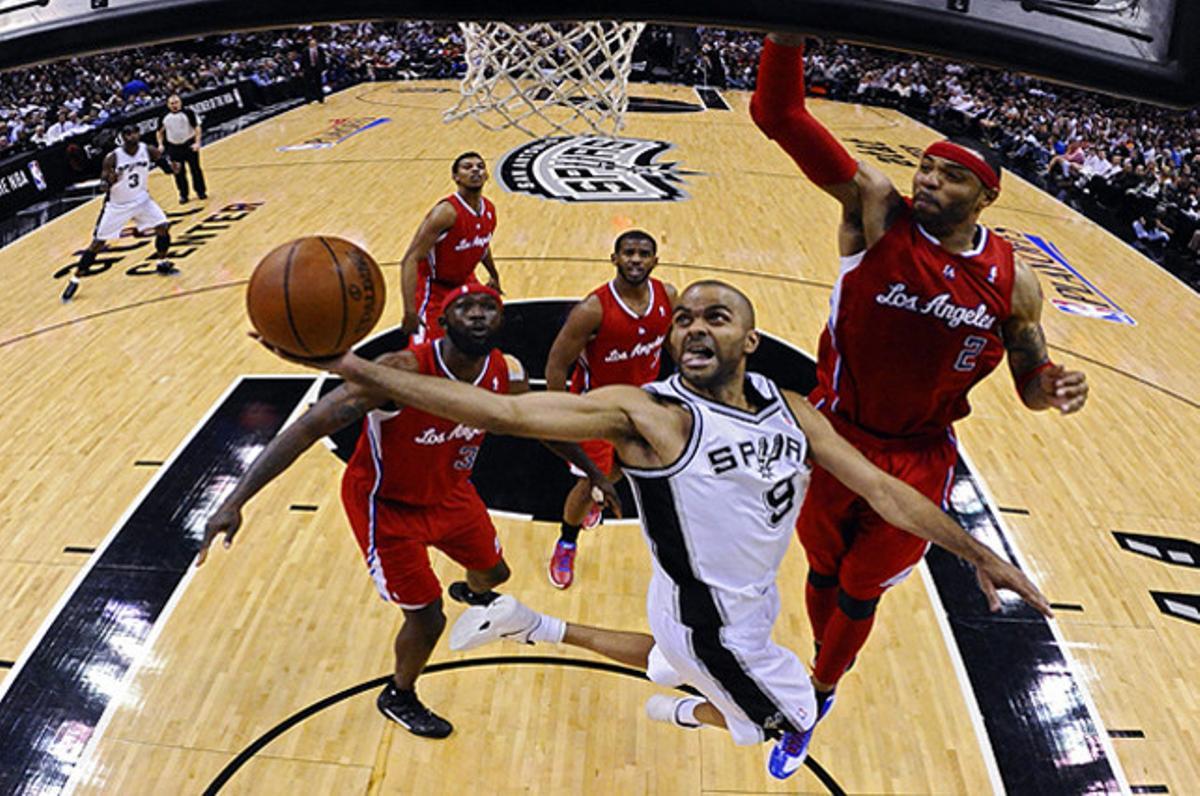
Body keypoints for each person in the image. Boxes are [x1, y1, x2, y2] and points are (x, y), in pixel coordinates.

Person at [258, 280, 1053, 779]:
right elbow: (504, 411)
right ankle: (688, 708)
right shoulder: (651, 413)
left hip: (732, 606)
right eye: (683, 320)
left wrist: (978, 553)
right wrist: (354, 367)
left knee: (676, 663)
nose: (694, 327)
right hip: (712, 620)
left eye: (716, 315)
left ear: (750, 338)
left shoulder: (794, 409)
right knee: (797, 719)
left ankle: (528, 623)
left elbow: (883, 488)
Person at [749, 33, 1088, 724]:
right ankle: (824, 651)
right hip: (836, 435)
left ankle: (820, 686)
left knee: (861, 587)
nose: (927, 180)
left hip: (921, 457)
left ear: (985, 197)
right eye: (926, 168)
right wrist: (783, 30)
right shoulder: (876, 212)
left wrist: (1050, 387)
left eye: (949, 175)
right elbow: (779, 116)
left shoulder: (1015, 283)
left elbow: (1029, 378)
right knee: (822, 568)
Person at [199, 284, 612, 739]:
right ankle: (399, 693)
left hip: (451, 494)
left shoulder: (506, 373)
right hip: (385, 508)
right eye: (465, 307)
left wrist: (592, 470)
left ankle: (474, 598)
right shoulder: (400, 372)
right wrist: (234, 499)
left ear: (501, 320)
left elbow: (536, 425)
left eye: (488, 308)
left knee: (494, 573)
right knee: (427, 615)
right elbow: (309, 426)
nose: (477, 315)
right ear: (442, 320)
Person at [542, 229, 675, 589]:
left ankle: (598, 501)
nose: (635, 259)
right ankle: (566, 541)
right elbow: (556, 363)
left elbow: (672, 343)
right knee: (589, 483)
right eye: (628, 252)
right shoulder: (593, 309)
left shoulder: (668, 297)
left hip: (642, 405)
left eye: (643, 253)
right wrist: (558, 413)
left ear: (654, 261)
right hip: (597, 411)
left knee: (622, 469)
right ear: (614, 259)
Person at [61, 124, 180, 303]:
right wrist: (109, 181)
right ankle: (75, 279)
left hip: (142, 200)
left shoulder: (148, 150)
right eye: (127, 134)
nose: (131, 136)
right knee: (97, 244)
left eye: (133, 132)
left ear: (138, 133)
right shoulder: (113, 157)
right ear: (122, 137)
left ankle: (162, 263)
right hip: (117, 206)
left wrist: (173, 169)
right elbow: (103, 185)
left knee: (163, 227)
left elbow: (166, 167)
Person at [398, 152, 502, 345]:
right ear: (455, 177)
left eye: (480, 166)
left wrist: (494, 275)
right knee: (424, 349)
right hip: (434, 286)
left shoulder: (489, 209)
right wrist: (410, 311)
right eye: (467, 167)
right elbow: (410, 259)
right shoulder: (445, 213)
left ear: (487, 175)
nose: (475, 170)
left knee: (481, 335)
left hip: (464, 281)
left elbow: (482, 244)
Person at [157, 93, 207, 204]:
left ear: (181, 103)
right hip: (174, 148)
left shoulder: (189, 113)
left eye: (176, 102)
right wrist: (160, 144)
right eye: (172, 103)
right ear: (168, 105)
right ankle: (183, 194)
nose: (175, 105)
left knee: (195, 169)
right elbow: (159, 132)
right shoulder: (164, 116)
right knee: (178, 172)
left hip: (189, 145)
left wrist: (197, 143)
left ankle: (200, 191)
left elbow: (197, 127)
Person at [300, 36, 326, 104]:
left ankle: (320, 98)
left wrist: (324, 68)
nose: (314, 45)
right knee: (308, 84)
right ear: (309, 44)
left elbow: (323, 59)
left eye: (315, 43)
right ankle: (308, 99)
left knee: (318, 83)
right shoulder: (305, 51)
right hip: (308, 69)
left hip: (317, 68)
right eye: (312, 43)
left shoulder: (320, 49)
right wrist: (301, 70)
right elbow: (302, 61)